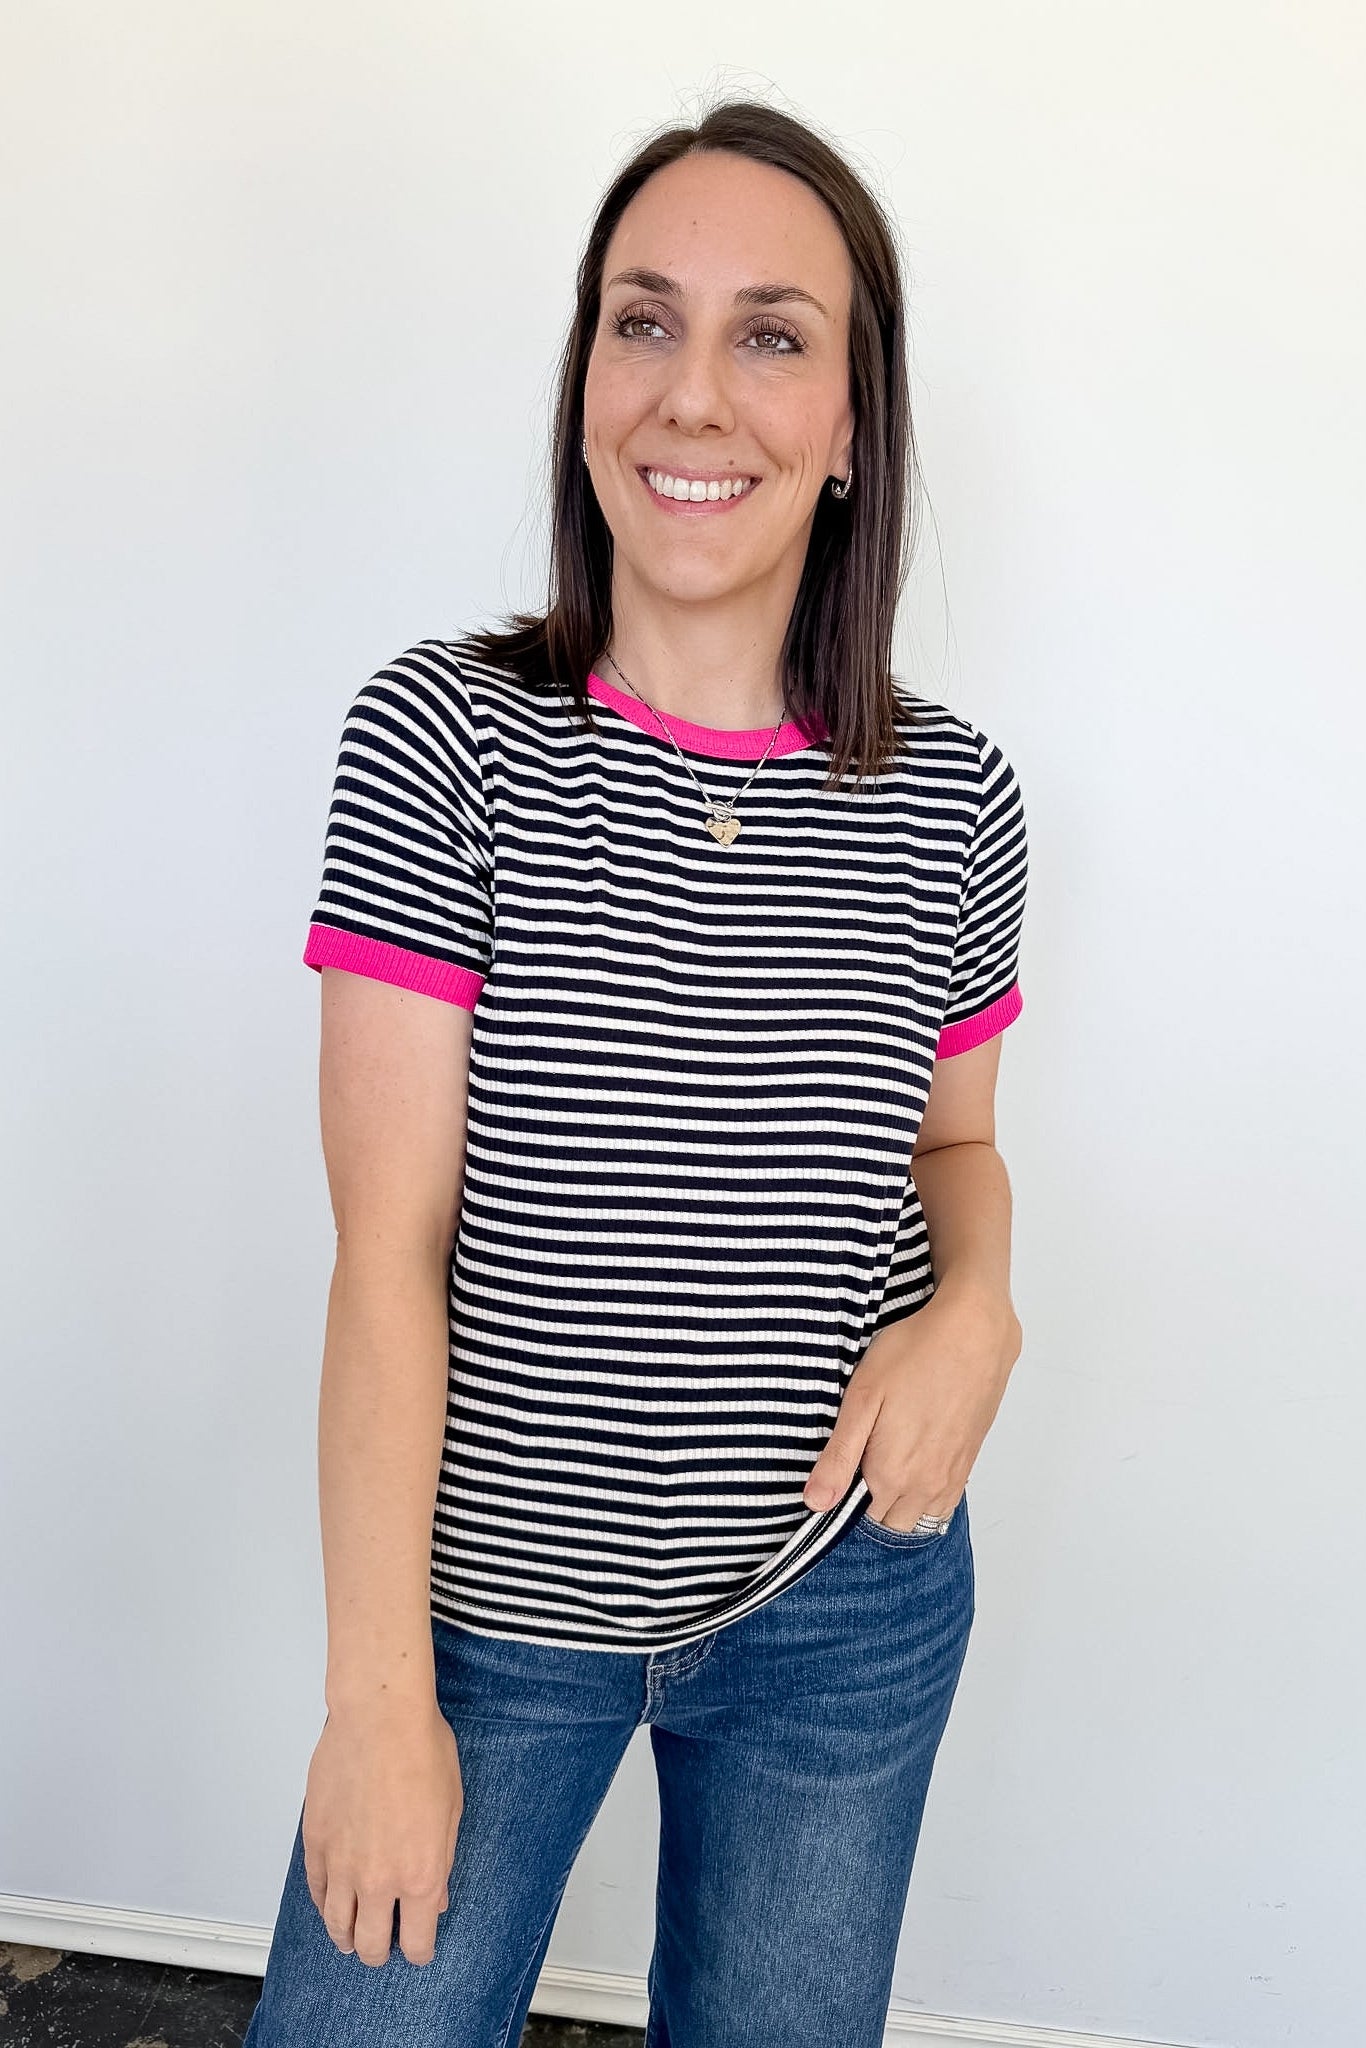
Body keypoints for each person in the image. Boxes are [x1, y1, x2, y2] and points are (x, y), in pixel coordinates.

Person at [244, 95, 1029, 2048]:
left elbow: (949, 1139)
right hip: (486, 1615)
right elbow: (385, 1253)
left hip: (836, 1604)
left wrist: (980, 1302)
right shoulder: (448, 741)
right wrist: (374, 1699)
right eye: (639, 320)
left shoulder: (951, 803)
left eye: (769, 334)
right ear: (585, 370)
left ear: (853, 427)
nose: (691, 395)